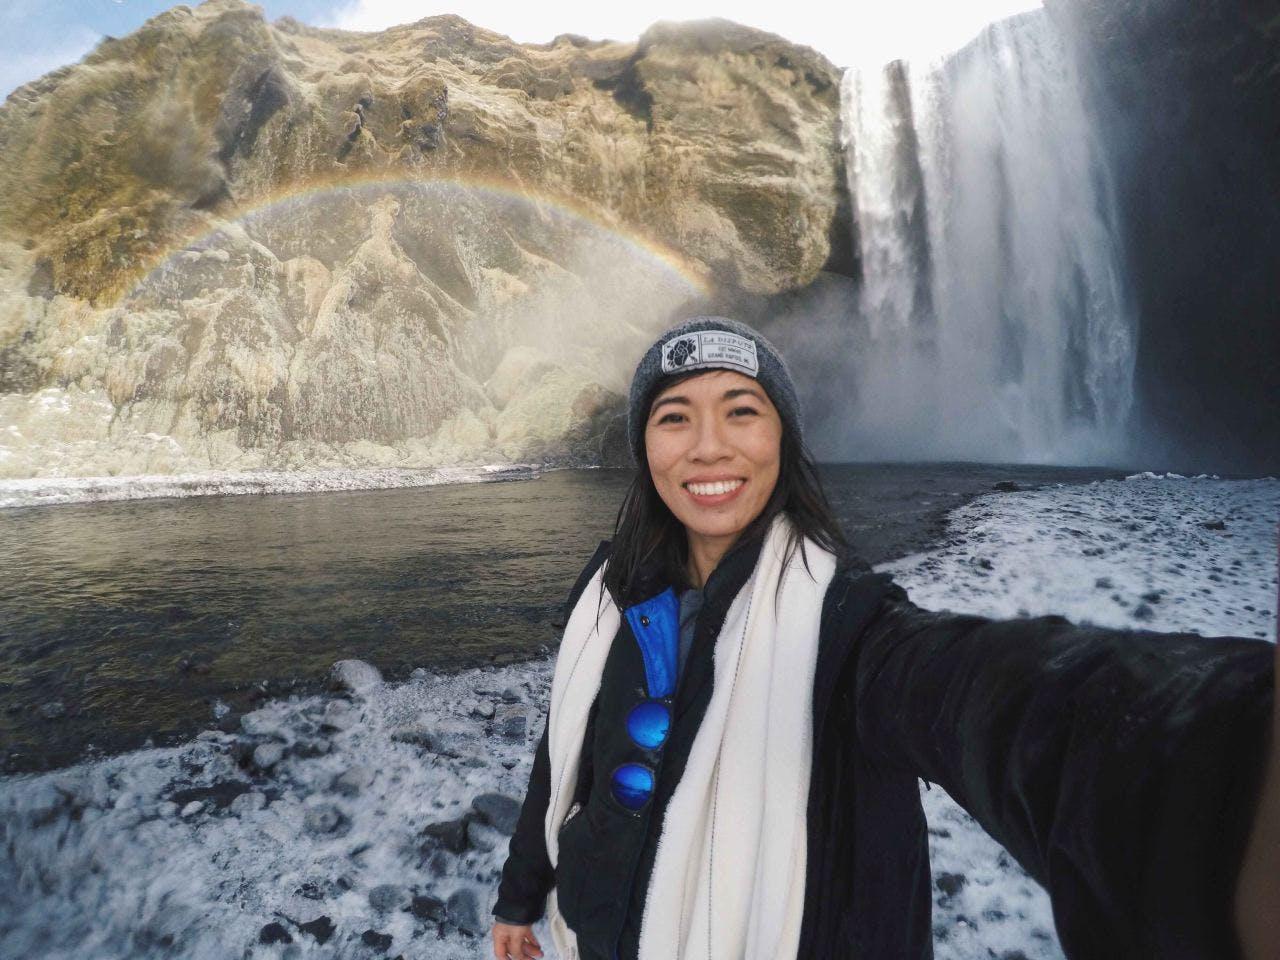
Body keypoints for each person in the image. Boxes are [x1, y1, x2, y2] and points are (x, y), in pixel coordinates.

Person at [489, 316, 1278, 960]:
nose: (708, 446)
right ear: (645, 451)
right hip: (600, 932)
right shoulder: (610, 594)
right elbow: (563, 761)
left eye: (741, 410)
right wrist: (520, 897)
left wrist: (1210, 753)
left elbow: (989, 698)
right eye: (674, 417)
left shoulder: (849, 623)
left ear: (783, 440)